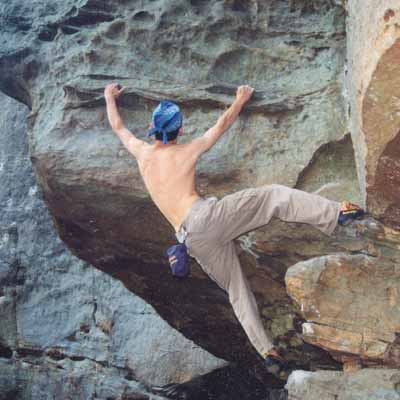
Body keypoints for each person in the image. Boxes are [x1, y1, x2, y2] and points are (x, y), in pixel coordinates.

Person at [104, 83, 364, 379]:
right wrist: (240, 100)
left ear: (152, 129)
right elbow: (221, 125)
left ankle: (267, 351)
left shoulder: (142, 154)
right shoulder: (187, 151)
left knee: (236, 290)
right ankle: (336, 213)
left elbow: (118, 127)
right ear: (179, 130)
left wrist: (109, 98)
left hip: (191, 241)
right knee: (273, 196)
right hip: (207, 218)